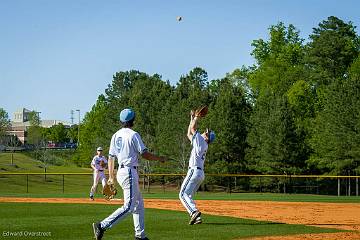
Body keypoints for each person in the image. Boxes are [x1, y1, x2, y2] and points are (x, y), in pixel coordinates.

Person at [92, 108, 167, 240]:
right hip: (129, 172)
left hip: (121, 172)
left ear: (121, 121)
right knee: (129, 207)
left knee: (138, 204)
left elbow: (110, 158)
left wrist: (111, 177)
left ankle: (140, 235)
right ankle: (101, 225)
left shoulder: (115, 135)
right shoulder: (133, 134)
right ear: (133, 120)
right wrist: (159, 158)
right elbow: (144, 154)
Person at [179, 110, 215, 225]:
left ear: (207, 138)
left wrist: (196, 118)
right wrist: (192, 117)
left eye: (206, 133)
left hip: (194, 171)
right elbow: (189, 134)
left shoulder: (200, 140)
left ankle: (194, 212)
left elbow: (193, 129)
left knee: (182, 194)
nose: (205, 132)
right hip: (200, 173)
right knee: (188, 195)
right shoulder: (201, 143)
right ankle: (197, 218)